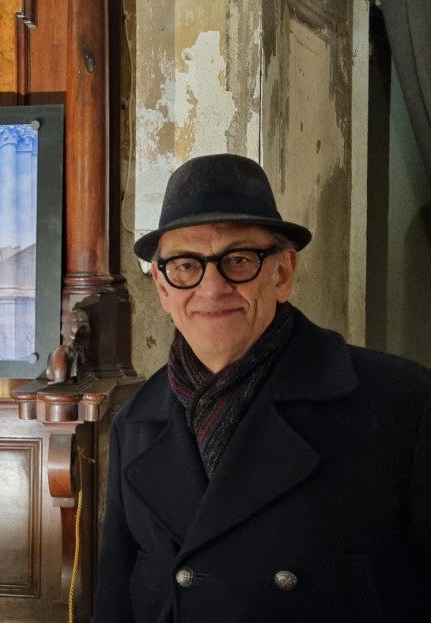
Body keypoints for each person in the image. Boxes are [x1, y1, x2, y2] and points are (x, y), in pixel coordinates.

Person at [93, 154, 431, 622]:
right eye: (186, 265)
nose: (212, 288)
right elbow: (116, 598)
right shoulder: (135, 423)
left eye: (238, 260)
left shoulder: (403, 404)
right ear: (164, 289)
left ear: (282, 274)